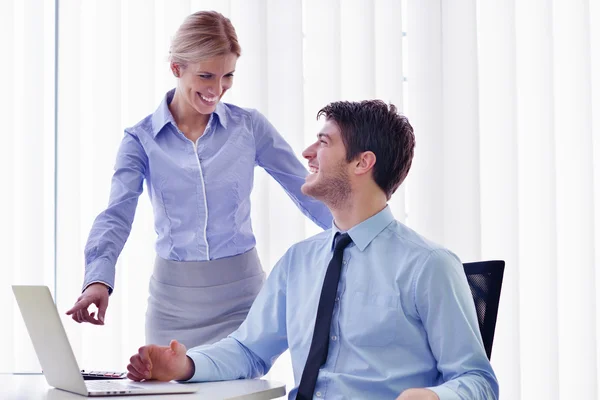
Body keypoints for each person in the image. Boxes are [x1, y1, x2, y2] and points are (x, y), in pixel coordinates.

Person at [125, 100, 499, 400]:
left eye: (323, 142)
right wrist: (185, 365)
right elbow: (248, 350)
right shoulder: (298, 262)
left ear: (362, 162)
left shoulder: (428, 266)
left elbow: (477, 381)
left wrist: (432, 397)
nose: (307, 153)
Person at [65, 11, 332, 349]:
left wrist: (362, 235)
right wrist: (97, 281)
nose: (217, 89)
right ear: (177, 68)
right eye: (206, 75)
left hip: (243, 301)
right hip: (172, 306)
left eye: (228, 76)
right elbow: (116, 215)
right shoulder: (140, 140)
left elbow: (306, 189)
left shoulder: (249, 127)